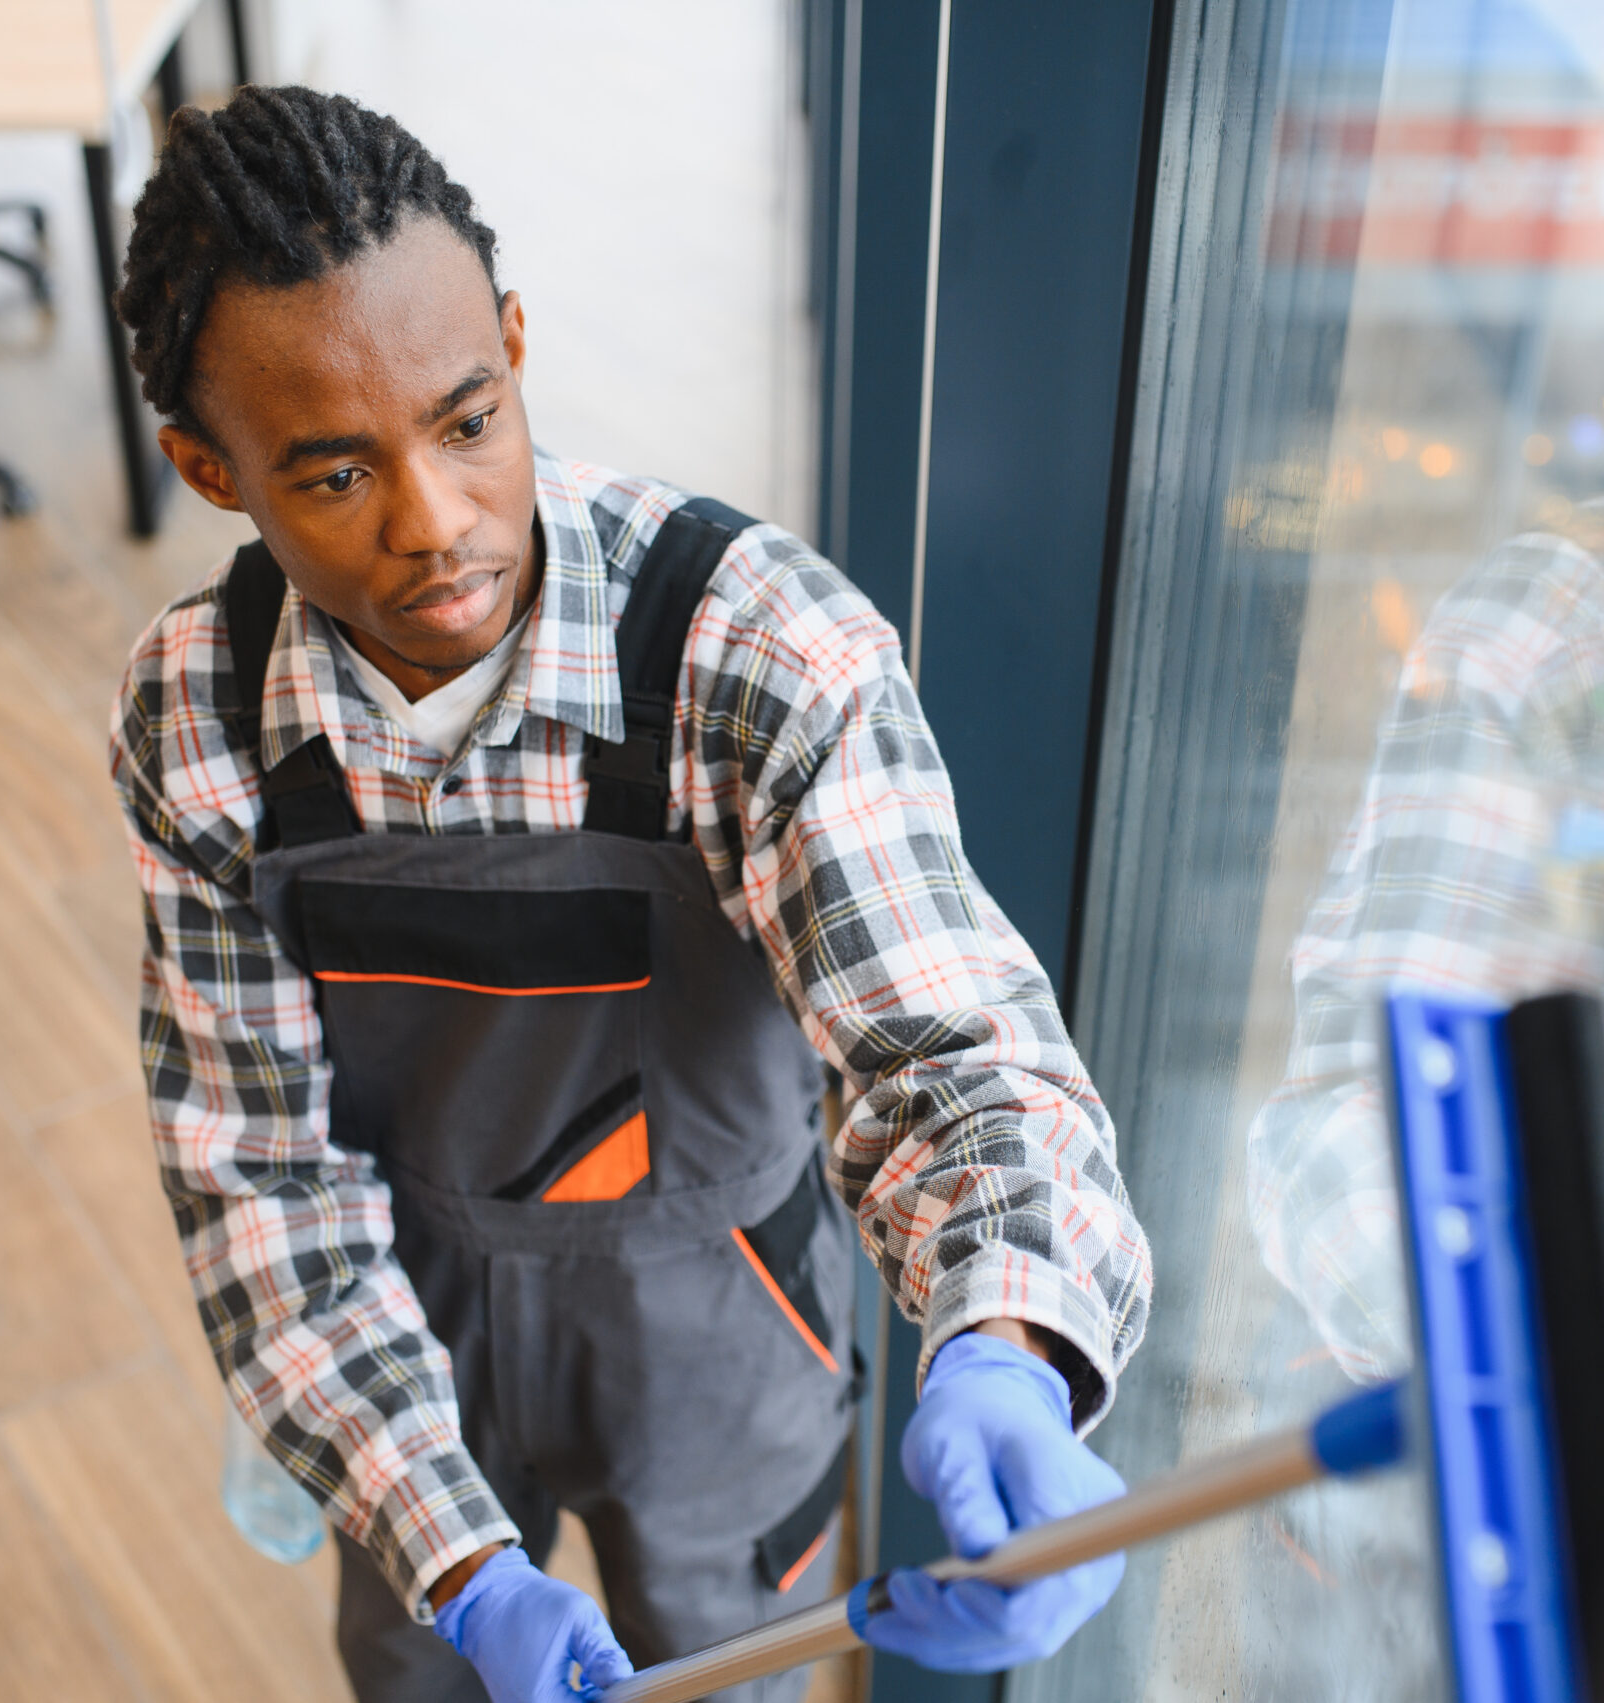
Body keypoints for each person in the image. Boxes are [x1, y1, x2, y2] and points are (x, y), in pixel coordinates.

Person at [106, 88, 1152, 1703]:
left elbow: (949, 1053)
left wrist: (1006, 1346)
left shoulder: (759, 660)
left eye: (467, 422)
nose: (436, 524)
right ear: (208, 468)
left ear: (515, 346)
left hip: (722, 1331)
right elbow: (260, 1188)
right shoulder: (198, 713)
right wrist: (453, 1562)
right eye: (331, 475)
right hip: (406, 1331)